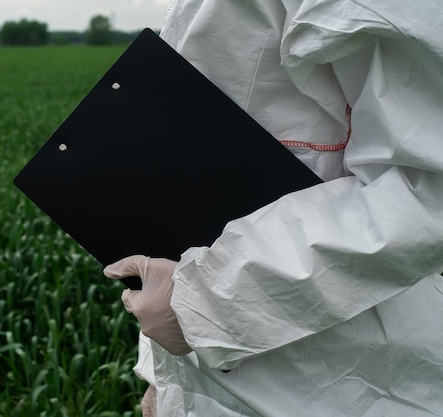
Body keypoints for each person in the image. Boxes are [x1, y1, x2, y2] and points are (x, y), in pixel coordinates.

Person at [103, 0, 443, 416]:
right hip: (211, 377)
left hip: (347, 384)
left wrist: (206, 303)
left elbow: (424, 187)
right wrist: (165, 380)